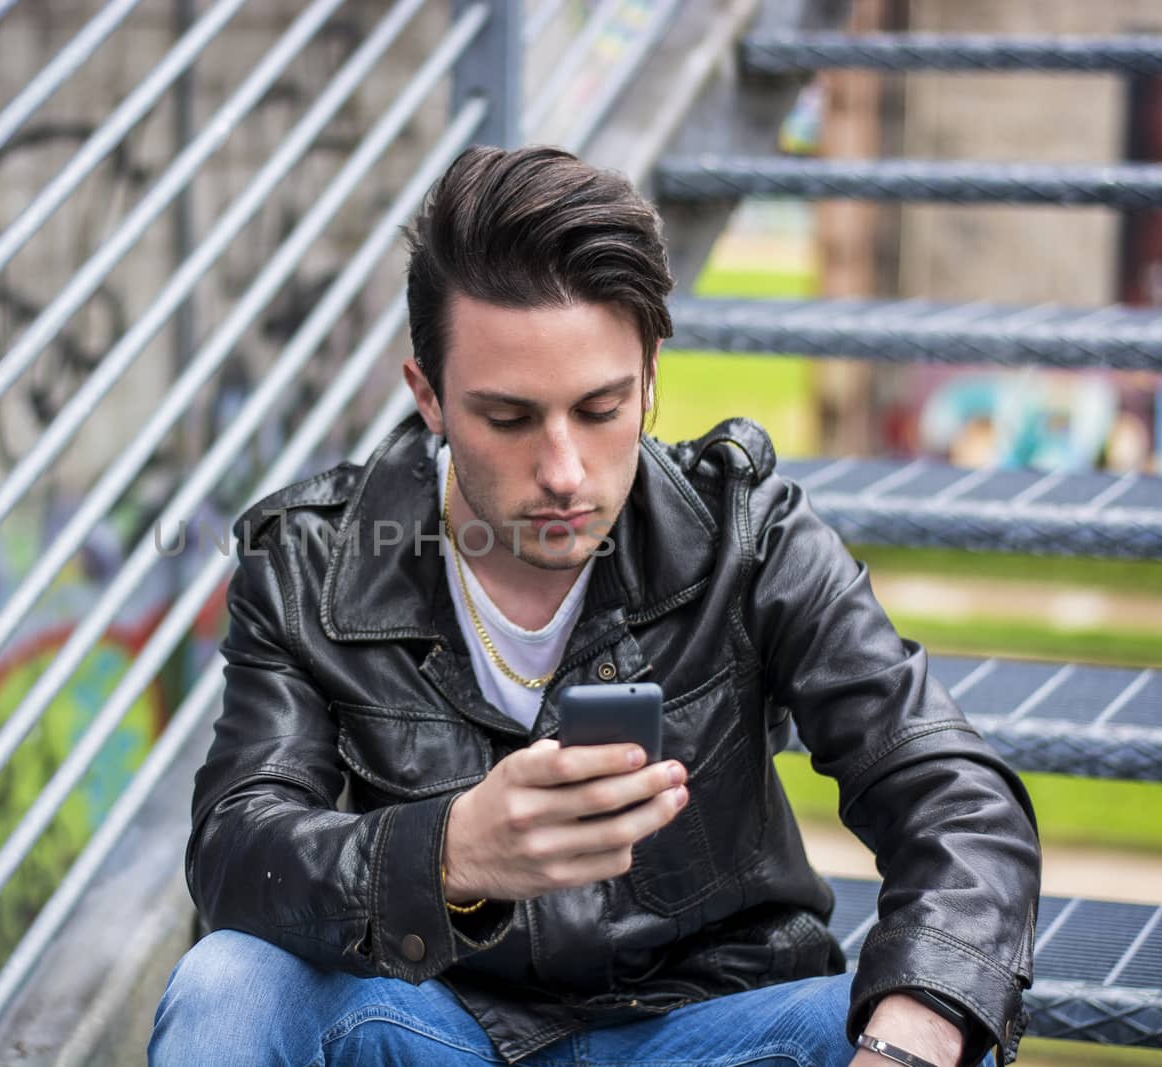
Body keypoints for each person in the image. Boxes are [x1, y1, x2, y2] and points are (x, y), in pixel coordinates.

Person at [149, 145, 1041, 1067]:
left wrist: (905, 1046)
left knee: (930, 1025)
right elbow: (235, 849)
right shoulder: (306, 561)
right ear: (429, 398)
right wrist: (448, 853)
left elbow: (958, 804)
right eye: (508, 418)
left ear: (651, 375)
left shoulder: (749, 534)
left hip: (717, 1034)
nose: (564, 472)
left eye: (602, 407)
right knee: (231, 982)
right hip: (433, 1032)